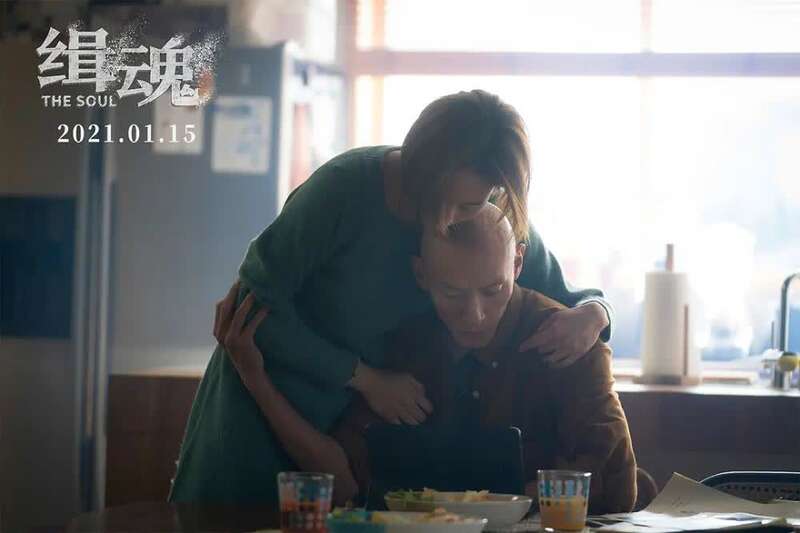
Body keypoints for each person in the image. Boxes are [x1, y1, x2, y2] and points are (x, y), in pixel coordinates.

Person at [169, 90, 614, 505]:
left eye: (474, 204)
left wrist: (595, 314)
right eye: (451, 201)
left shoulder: (485, 207)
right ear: (421, 170)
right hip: (259, 411)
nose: (455, 219)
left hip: (347, 441)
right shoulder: (342, 191)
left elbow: (570, 297)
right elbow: (248, 308)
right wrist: (362, 377)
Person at [218, 206, 637, 514]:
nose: (474, 315)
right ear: (421, 276)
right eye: (452, 293)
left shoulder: (569, 339)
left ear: (518, 264)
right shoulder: (407, 346)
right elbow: (344, 482)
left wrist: (484, 506)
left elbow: (616, 486)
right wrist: (256, 379)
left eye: (493, 290)